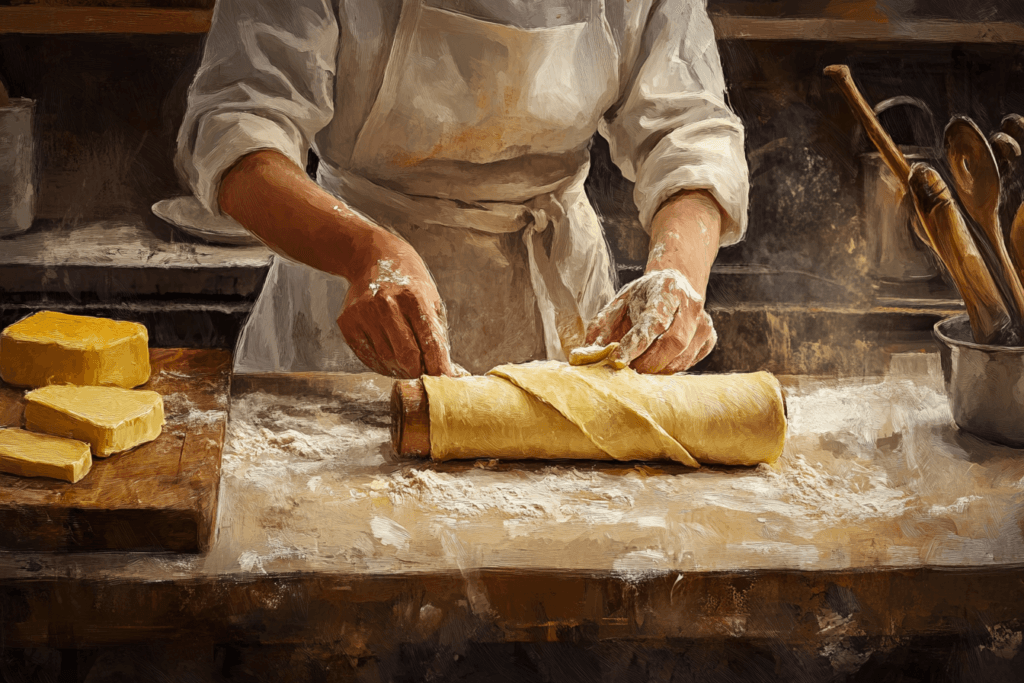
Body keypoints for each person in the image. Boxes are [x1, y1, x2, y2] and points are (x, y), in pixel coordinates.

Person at [177, 0, 748, 378]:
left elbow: (689, 129)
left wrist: (678, 270)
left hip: (562, 310)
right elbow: (237, 131)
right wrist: (363, 252)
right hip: (350, 316)